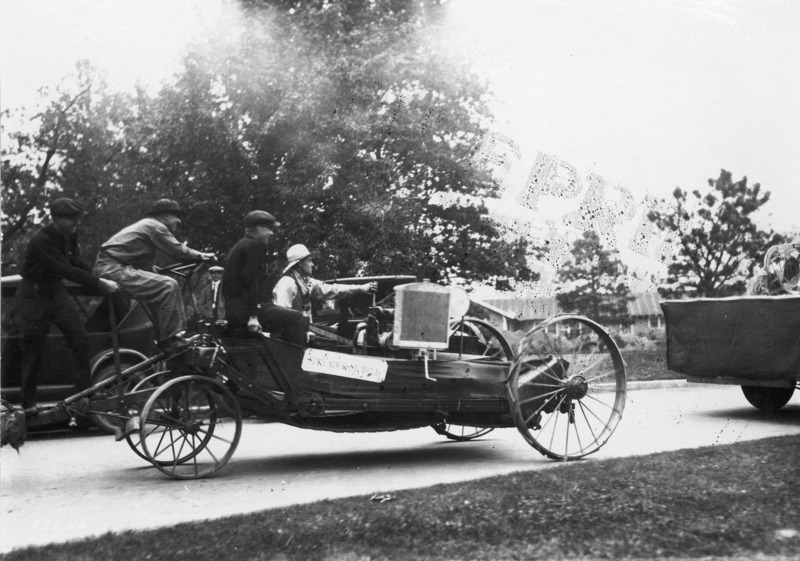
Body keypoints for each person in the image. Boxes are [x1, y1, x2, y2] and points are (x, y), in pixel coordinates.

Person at [14, 198, 121, 410]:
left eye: (77, 219)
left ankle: (81, 398)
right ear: (57, 219)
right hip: (34, 296)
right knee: (33, 350)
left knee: (80, 339)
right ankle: (28, 407)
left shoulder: (69, 235)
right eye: (72, 219)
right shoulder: (41, 240)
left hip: (56, 291)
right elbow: (67, 270)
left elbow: (77, 263)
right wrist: (99, 283)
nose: (77, 223)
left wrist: (99, 276)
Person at [94, 199, 215, 350]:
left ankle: (159, 337)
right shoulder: (155, 226)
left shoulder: (145, 226)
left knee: (160, 286)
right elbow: (177, 251)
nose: (179, 221)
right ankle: (171, 340)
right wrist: (201, 255)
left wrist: (154, 271)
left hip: (111, 267)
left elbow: (142, 263)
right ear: (164, 216)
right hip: (113, 269)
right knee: (168, 286)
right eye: (176, 216)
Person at [221, 211, 308, 345]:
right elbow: (251, 282)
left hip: (235, 310)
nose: (272, 233)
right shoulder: (253, 246)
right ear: (260, 228)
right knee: (296, 318)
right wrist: (253, 316)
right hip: (243, 311)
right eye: (269, 229)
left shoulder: (242, 245)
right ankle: (295, 364)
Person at [273, 244, 377, 322]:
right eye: (309, 261)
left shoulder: (307, 283)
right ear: (300, 263)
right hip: (287, 340)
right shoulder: (287, 283)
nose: (312, 264)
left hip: (301, 333)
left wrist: (362, 288)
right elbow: (282, 317)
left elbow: (334, 289)